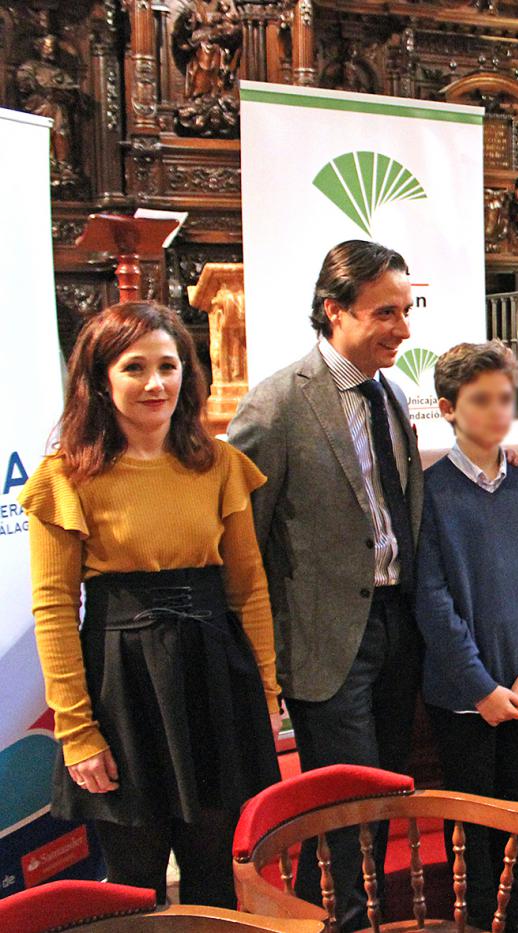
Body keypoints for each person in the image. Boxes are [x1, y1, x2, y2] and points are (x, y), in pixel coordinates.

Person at [21, 302, 281, 907]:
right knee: (135, 884)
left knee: (216, 874)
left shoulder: (219, 464)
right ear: (99, 379)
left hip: (214, 678)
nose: (156, 382)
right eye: (134, 367)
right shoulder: (66, 476)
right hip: (122, 687)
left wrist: (266, 695)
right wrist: (77, 732)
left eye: (169, 365)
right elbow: (55, 608)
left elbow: (249, 587)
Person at [228, 239, 423, 930]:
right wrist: (267, 650)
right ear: (334, 310)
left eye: (407, 309)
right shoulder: (278, 403)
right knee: (343, 808)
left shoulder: (391, 393)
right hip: (326, 640)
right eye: (385, 312)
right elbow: (241, 535)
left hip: (399, 626)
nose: (403, 327)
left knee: (379, 799)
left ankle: (321, 917)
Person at [416, 341, 518, 933]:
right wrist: (480, 686)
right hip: (467, 693)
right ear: (447, 408)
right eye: (480, 400)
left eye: (505, 399)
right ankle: (480, 916)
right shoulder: (431, 493)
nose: (496, 412)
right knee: (475, 809)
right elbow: (432, 600)